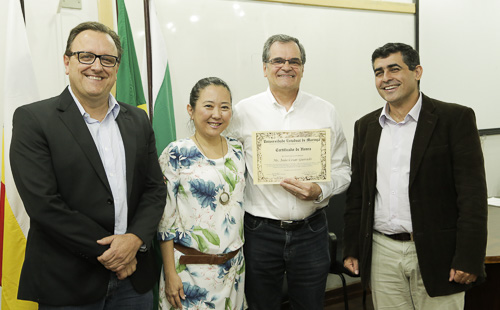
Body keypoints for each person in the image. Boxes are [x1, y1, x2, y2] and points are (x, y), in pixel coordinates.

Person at [10, 21, 167, 309]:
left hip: (134, 280)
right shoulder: (33, 120)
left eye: (107, 59)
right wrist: (116, 253)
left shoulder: (137, 120)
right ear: (67, 62)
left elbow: (155, 190)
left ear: (116, 67)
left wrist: (133, 240)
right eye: (86, 56)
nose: (97, 66)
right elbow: (44, 205)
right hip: (68, 282)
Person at [343, 42, 488, 309]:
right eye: (378, 72)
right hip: (382, 252)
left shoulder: (454, 119)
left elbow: (472, 197)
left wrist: (469, 257)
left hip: (439, 254)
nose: (385, 78)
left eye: (394, 69)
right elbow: (359, 194)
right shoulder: (365, 126)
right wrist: (352, 246)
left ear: (417, 71)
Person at [232, 34, 351, 309]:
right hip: (260, 232)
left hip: (311, 231)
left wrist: (322, 189)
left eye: (294, 61)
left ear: (302, 68)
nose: (286, 66)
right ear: (265, 68)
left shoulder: (326, 111)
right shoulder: (242, 113)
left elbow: (343, 169)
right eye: (278, 60)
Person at [157, 77, 246, 310]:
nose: (217, 114)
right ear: (191, 110)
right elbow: (165, 221)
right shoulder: (176, 153)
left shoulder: (238, 150)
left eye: (224, 107)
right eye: (208, 106)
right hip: (189, 272)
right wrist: (170, 273)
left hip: (233, 271)